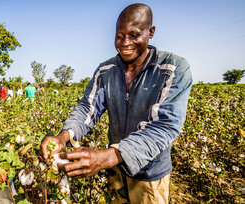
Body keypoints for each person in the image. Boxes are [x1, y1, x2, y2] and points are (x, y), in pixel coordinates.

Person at [39, 3, 192, 204]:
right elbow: (88, 108)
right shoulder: (106, 70)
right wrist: (64, 135)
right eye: (119, 36)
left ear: (151, 32)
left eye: (134, 35)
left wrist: (108, 156)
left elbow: (164, 126)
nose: (125, 43)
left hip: (150, 174)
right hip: (115, 170)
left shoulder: (172, 68)